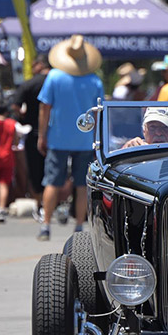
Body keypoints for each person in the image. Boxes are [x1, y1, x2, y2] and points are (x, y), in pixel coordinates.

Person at [36, 35, 104, 241]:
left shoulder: (54, 77)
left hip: (58, 137)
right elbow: (99, 112)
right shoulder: (95, 80)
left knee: (51, 182)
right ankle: (79, 225)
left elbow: (44, 108)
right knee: (83, 184)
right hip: (84, 139)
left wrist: (42, 135)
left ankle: (46, 225)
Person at [12, 53, 51, 204]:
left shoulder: (28, 84)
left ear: (40, 65)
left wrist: (23, 114)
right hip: (55, 131)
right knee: (53, 170)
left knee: (35, 170)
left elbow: (15, 105)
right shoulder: (57, 82)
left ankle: (40, 202)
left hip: (33, 130)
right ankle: (52, 202)